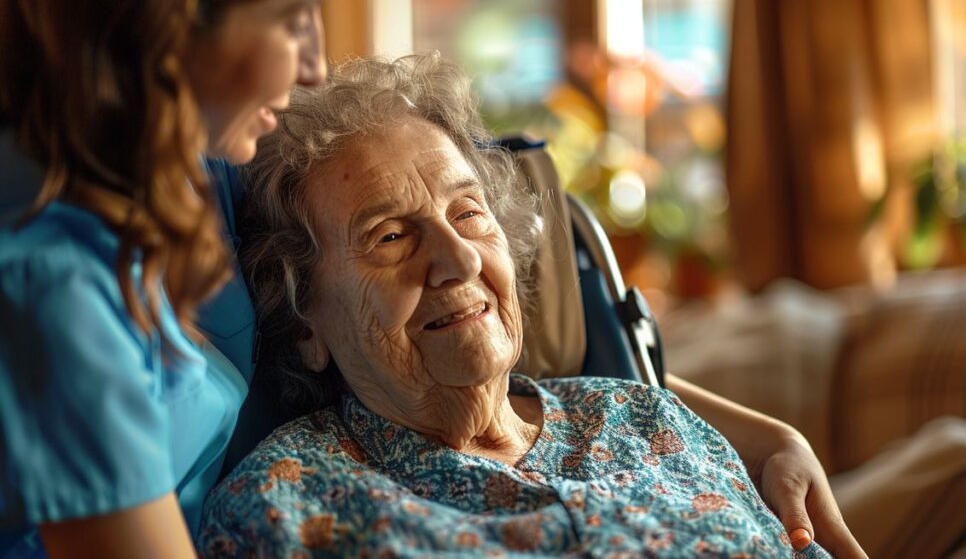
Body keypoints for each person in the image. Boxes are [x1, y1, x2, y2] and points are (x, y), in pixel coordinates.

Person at [198, 54, 866, 557]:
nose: (459, 259)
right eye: (391, 237)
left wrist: (780, 438)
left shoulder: (643, 415)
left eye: (469, 214)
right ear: (304, 315)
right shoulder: (285, 508)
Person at [0, 0, 327, 557]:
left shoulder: (168, 163)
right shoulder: (55, 280)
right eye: (294, 18)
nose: (315, 68)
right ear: (168, 24)